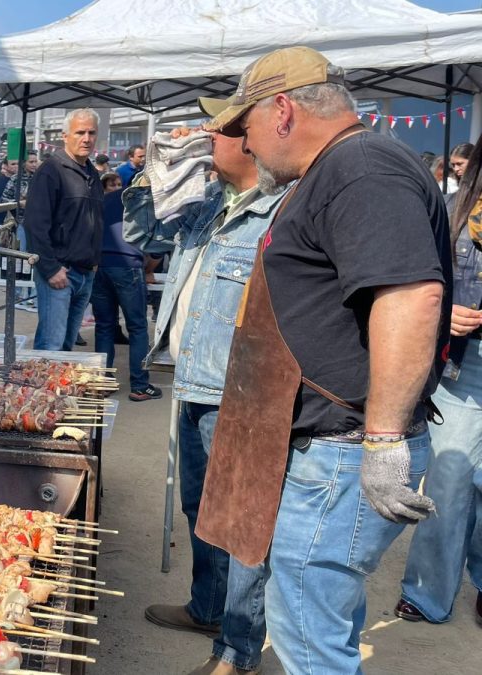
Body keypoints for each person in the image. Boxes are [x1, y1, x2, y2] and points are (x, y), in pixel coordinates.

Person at [196, 47, 451, 673]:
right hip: (327, 447)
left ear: (281, 110)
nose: (244, 145)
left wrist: (384, 440)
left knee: (309, 638)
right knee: (317, 615)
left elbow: (411, 293)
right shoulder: (340, 168)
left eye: (244, 125)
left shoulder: (361, 168)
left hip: (341, 447)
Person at [125, 122, 284, 674]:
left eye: (215, 134)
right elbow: (143, 238)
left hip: (237, 391)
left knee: (241, 523)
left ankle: (239, 652)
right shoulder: (212, 201)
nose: (204, 142)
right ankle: (208, 608)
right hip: (195, 379)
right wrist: (156, 174)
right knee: (202, 508)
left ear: (249, 143)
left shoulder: (276, 210)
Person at [394, 136, 482, 627]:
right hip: (464, 366)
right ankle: (427, 591)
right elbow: (419, 276)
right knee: (449, 480)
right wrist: (444, 311)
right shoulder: (452, 208)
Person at [23, 109, 104, 351]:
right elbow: (35, 224)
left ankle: (57, 389)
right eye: (80, 132)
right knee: (52, 345)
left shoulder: (91, 173)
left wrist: (94, 261)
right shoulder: (51, 171)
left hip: (84, 273)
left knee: (66, 345)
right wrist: (50, 268)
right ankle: (43, 390)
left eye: (91, 133)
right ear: (65, 136)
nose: (86, 138)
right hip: (59, 273)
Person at [93, 174, 157, 402]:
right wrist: (150, 266)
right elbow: (157, 246)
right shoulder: (148, 201)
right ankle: (140, 385)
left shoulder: (108, 198)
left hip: (100, 265)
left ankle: (101, 383)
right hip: (128, 266)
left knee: (104, 327)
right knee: (138, 327)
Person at [2, 151, 41, 306]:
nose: (34, 164)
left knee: (38, 258)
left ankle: (34, 295)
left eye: (35, 161)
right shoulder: (16, 179)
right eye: (31, 161)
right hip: (22, 223)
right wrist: (19, 203)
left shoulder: (42, 178)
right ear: (24, 163)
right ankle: (19, 293)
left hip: (41, 224)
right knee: (22, 257)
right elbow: (4, 198)